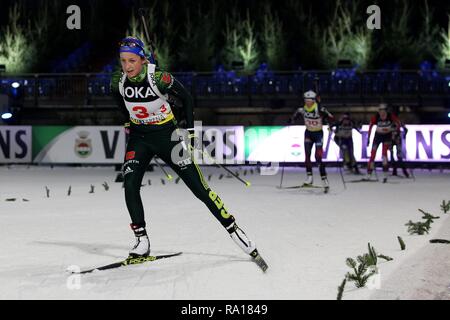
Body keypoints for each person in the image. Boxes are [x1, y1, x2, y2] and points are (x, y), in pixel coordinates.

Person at [110, 36, 267, 270]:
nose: (127, 66)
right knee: (130, 183)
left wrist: (191, 131)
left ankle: (234, 229)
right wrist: (127, 121)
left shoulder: (159, 78)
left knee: (199, 189)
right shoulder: (117, 81)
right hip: (139, 138)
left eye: (132, 60)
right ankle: (141, 240)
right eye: (123, 61)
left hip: (167, 137)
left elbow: (186, 98)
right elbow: (119, 101)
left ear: (143, 60)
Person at [289, 90, 334, 189]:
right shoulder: (302, 109)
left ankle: (324, 178)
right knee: (307, 155)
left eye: (309, 100)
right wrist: (291, 120)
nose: (307, 102)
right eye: (306, 100)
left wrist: (329, 122)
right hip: (308, 133)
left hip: (318, 134)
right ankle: (309, 177)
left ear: (314, 100)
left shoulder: (319, 108)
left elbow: (331, 117)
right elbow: (294, 116)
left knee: (318, 157)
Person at [366, 104, 401, 182]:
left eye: (383, 111)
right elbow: (370, 126)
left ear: (386, 110)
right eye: (380, 111)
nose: (382, 113)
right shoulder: (376, 117)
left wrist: (396, 132)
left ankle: (385, 175)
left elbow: (398, 123)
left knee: (384, 154)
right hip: (377, 136)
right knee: (372, 155)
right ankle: (369, 173)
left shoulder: (390, 116)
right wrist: (368, 138)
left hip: (387, 137)